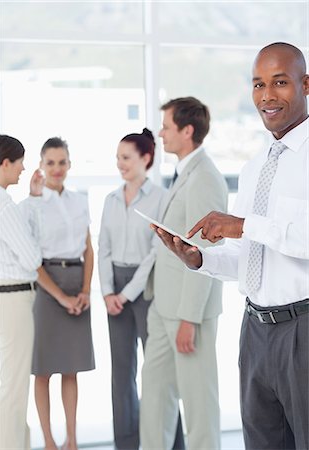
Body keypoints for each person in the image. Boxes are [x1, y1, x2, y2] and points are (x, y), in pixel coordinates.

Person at [151, 43, 309, 450]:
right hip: (255, 332)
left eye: (280, 83)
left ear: (306, 85)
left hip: (302, 333)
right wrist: (200, 258)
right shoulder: (254, 167)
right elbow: (249, 257)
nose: (267, 96)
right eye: (258, 84)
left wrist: (243, 225)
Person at [140, 98, 228, 450]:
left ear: (187, 131)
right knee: (155, 396)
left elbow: (205, 253)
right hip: (164, 307)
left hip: (188, 313)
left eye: (166, 126)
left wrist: (190, 318)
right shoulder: (184, 173)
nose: (160, 133)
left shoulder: (205, 177)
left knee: (198, 404)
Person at [98, 128, 185, 450]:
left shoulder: (162, 198)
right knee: (121, 375)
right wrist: (108, 291)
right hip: (114, 291)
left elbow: (156, 252)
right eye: (118, 158)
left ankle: (172, 444)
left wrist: (126, 294)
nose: (120, 164)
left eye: (126, 157)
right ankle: (127, 444)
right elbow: (102, 246)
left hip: (147, 289)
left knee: (158, 375)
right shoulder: (109, 199)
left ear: (145, 158)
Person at [24, 137, 95, 450]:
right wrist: (61, 297)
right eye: (50, 162)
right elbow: (32, 260)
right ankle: (49, 442)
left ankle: (72, 440)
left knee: (71, 367)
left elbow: (88, 248)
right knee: (43, 369)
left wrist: (85, 291)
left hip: (76, 281)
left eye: (62, 162)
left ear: (69, 164)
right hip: (46, 285)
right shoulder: (32, 205)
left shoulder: (80, 200)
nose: (56, 169)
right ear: (41, 165)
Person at [0, 134, 43, 449]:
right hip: (13, 299)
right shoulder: (3, 203)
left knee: (7, 384)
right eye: (19, 162)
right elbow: (32, 258)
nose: (24, 168)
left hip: (4, 299)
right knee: (13, 388)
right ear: (4, 163)